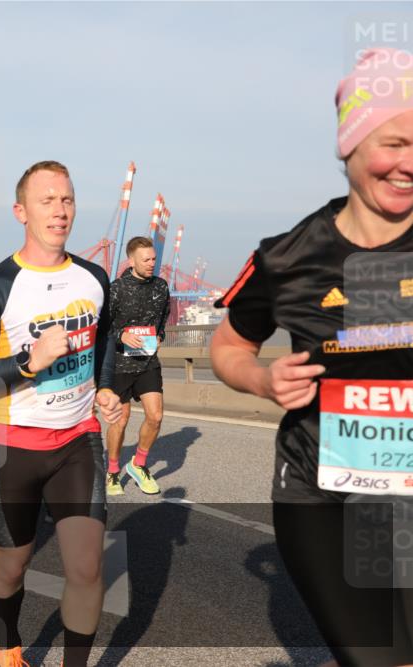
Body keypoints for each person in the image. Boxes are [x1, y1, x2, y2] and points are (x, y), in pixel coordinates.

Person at [210, 48, 412, 666]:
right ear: (349, 145)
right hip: (319, 493)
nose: (409, 165)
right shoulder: (287, 256)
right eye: (395, 143)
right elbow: (228, 346)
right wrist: (263, 379)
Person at [0, 160, 122, 667]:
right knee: (11, 564)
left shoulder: (93, 277)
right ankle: (9, 647)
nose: (60, 210)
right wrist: (30, 361)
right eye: (47, 201)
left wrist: (106, 387)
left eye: (67, 199)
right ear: (20, 211)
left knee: (87, 569)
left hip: (78, 440)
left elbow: (105, 337)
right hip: (14, 446)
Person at [105, 236, 170, 496]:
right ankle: (112, 472)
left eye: (154, 259)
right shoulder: (116, 289)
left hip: (147, 361)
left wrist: (160, 336)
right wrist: (121, 335)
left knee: (155, 416)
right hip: (120, 364)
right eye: (146, 260)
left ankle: (138, 464)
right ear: (131, 261)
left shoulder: (162, 287)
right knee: (120, 421)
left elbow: (163, 319)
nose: (152, 263)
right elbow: (103, 325)